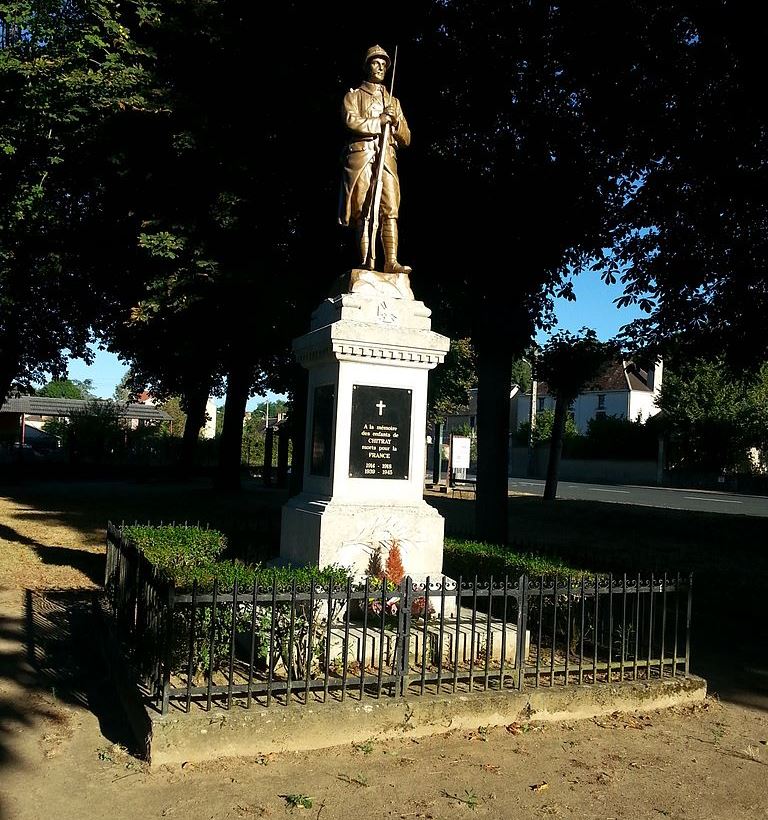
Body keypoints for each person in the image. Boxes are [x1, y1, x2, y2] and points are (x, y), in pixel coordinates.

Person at [338, 45, 411, 275]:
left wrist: (395, 121)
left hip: (386, 158)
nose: (380, 67)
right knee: (364, 208)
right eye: (375, 62)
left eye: (384, 64)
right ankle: (366, 260)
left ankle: (391, 261)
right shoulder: (354, 96)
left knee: (390, 208)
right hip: (363, 155)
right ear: (367, 65)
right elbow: (351, 121)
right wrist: (379, 121)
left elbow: (407, 137)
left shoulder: (394, 102)